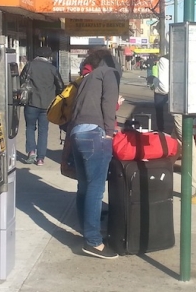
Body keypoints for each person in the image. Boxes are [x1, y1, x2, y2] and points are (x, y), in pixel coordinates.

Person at [68, 48, 120, 259]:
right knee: (96, 189)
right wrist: (109, 132)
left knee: (84, 187)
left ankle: (87, 230)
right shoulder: (109, 74)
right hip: (95, 134)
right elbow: (108, 105)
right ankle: (93, 241)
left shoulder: (88, 77)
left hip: (77, 132)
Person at [154, 54, 196, 204]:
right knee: (175, 143)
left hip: (179, 108)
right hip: (195, 106)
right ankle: (157, 176)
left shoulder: (166, 60)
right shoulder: (195, 54)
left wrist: (154, 82)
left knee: (188, 149)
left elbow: (163, 87)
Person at [21, 46, 64, 166]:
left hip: (31, 103)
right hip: (47, 105)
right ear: (48, 56)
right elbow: (60, 86)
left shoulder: (30, 65)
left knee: (30, 127)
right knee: (43, 131)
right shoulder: (52, 68)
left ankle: (31, 152)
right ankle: (40, 158)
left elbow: (21, 80)